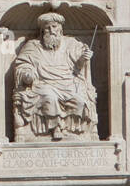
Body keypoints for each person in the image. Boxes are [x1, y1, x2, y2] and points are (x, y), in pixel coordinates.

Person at [12, 13, 97, 142]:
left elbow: (79, 65)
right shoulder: (33, 46)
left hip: (68, 82)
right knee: (49, 97)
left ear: (60, 29)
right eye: (47, 28)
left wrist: (84, 58)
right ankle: (55, 127)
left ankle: (74, 130)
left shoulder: (71, 43)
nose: (51, 30)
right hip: (43, 84)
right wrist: (27, 74)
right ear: (42, 30)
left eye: (54, 26)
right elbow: (23, 65)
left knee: (79, 99)